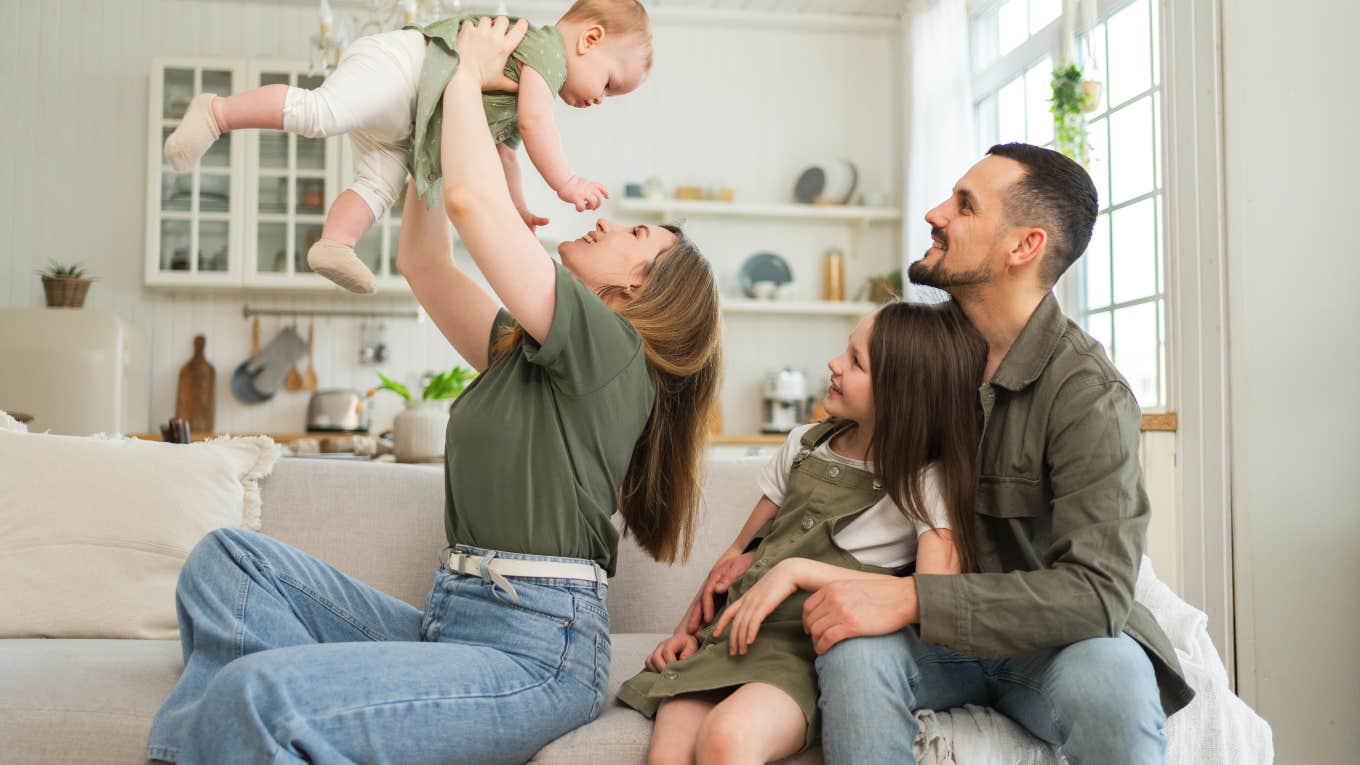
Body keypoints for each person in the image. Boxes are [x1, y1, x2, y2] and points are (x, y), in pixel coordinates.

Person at [146, 17, 721, 764]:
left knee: (259, 691)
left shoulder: (615, 352)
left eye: (636, 233)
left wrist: (462, 75)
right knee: (228, 562)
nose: (609, 219)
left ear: (640, 288)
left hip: (537, 652)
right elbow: (424, 262)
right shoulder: (526, 347)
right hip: (455, 619)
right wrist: (434, 116)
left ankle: (266, 722)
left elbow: (476, 206)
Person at [784, 143, 1193, 763]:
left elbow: (1097, 593)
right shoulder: (922, 356)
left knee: (1115, 671)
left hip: (1050, 646)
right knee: (853, 649)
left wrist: (915, 597)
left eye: (964, 206)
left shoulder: (1088, 393)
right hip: (929, 644)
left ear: (1022, 247)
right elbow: (836, 454)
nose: (935, 213)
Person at [618, 300, 989, 764]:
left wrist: (800, 571)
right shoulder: (803, 444)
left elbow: (932, 596)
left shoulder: (924, 481)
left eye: (857, 362)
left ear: (902, 394)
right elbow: (737, 554)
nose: (834, 364)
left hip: (801, 657)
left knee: (726, 739)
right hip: (730, 638)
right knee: (667, 754)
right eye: (844, 351)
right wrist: (685, 631)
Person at [162, 0, 652, 294]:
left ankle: (335, 244)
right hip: (405, 69)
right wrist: (566, 182)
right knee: (320, 113)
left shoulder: (529, 83)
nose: (599, 100)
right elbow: (536, 122)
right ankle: (218, 112)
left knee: (378, 182)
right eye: (610, 83)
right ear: (589, 39)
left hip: (413, 117)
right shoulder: (545, 54)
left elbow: (505, 153)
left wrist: (518, 208)